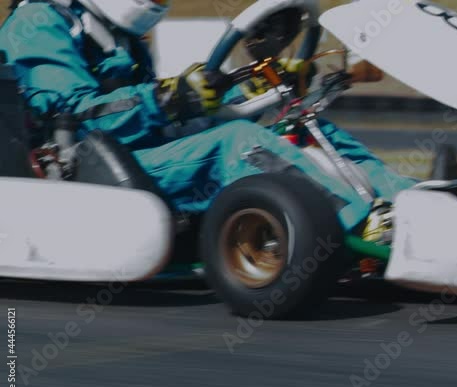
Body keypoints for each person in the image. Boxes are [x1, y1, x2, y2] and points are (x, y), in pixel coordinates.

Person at [0, 0, 416, 235]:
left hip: (135, 152)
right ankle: (358, 224)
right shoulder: (40, 21)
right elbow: (75, 114)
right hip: (78, 170)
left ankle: (413, 204)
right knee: (235, 143)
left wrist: (252, 88)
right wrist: (166, 97)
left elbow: (154, 108)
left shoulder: (116, 34)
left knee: (296, 125)